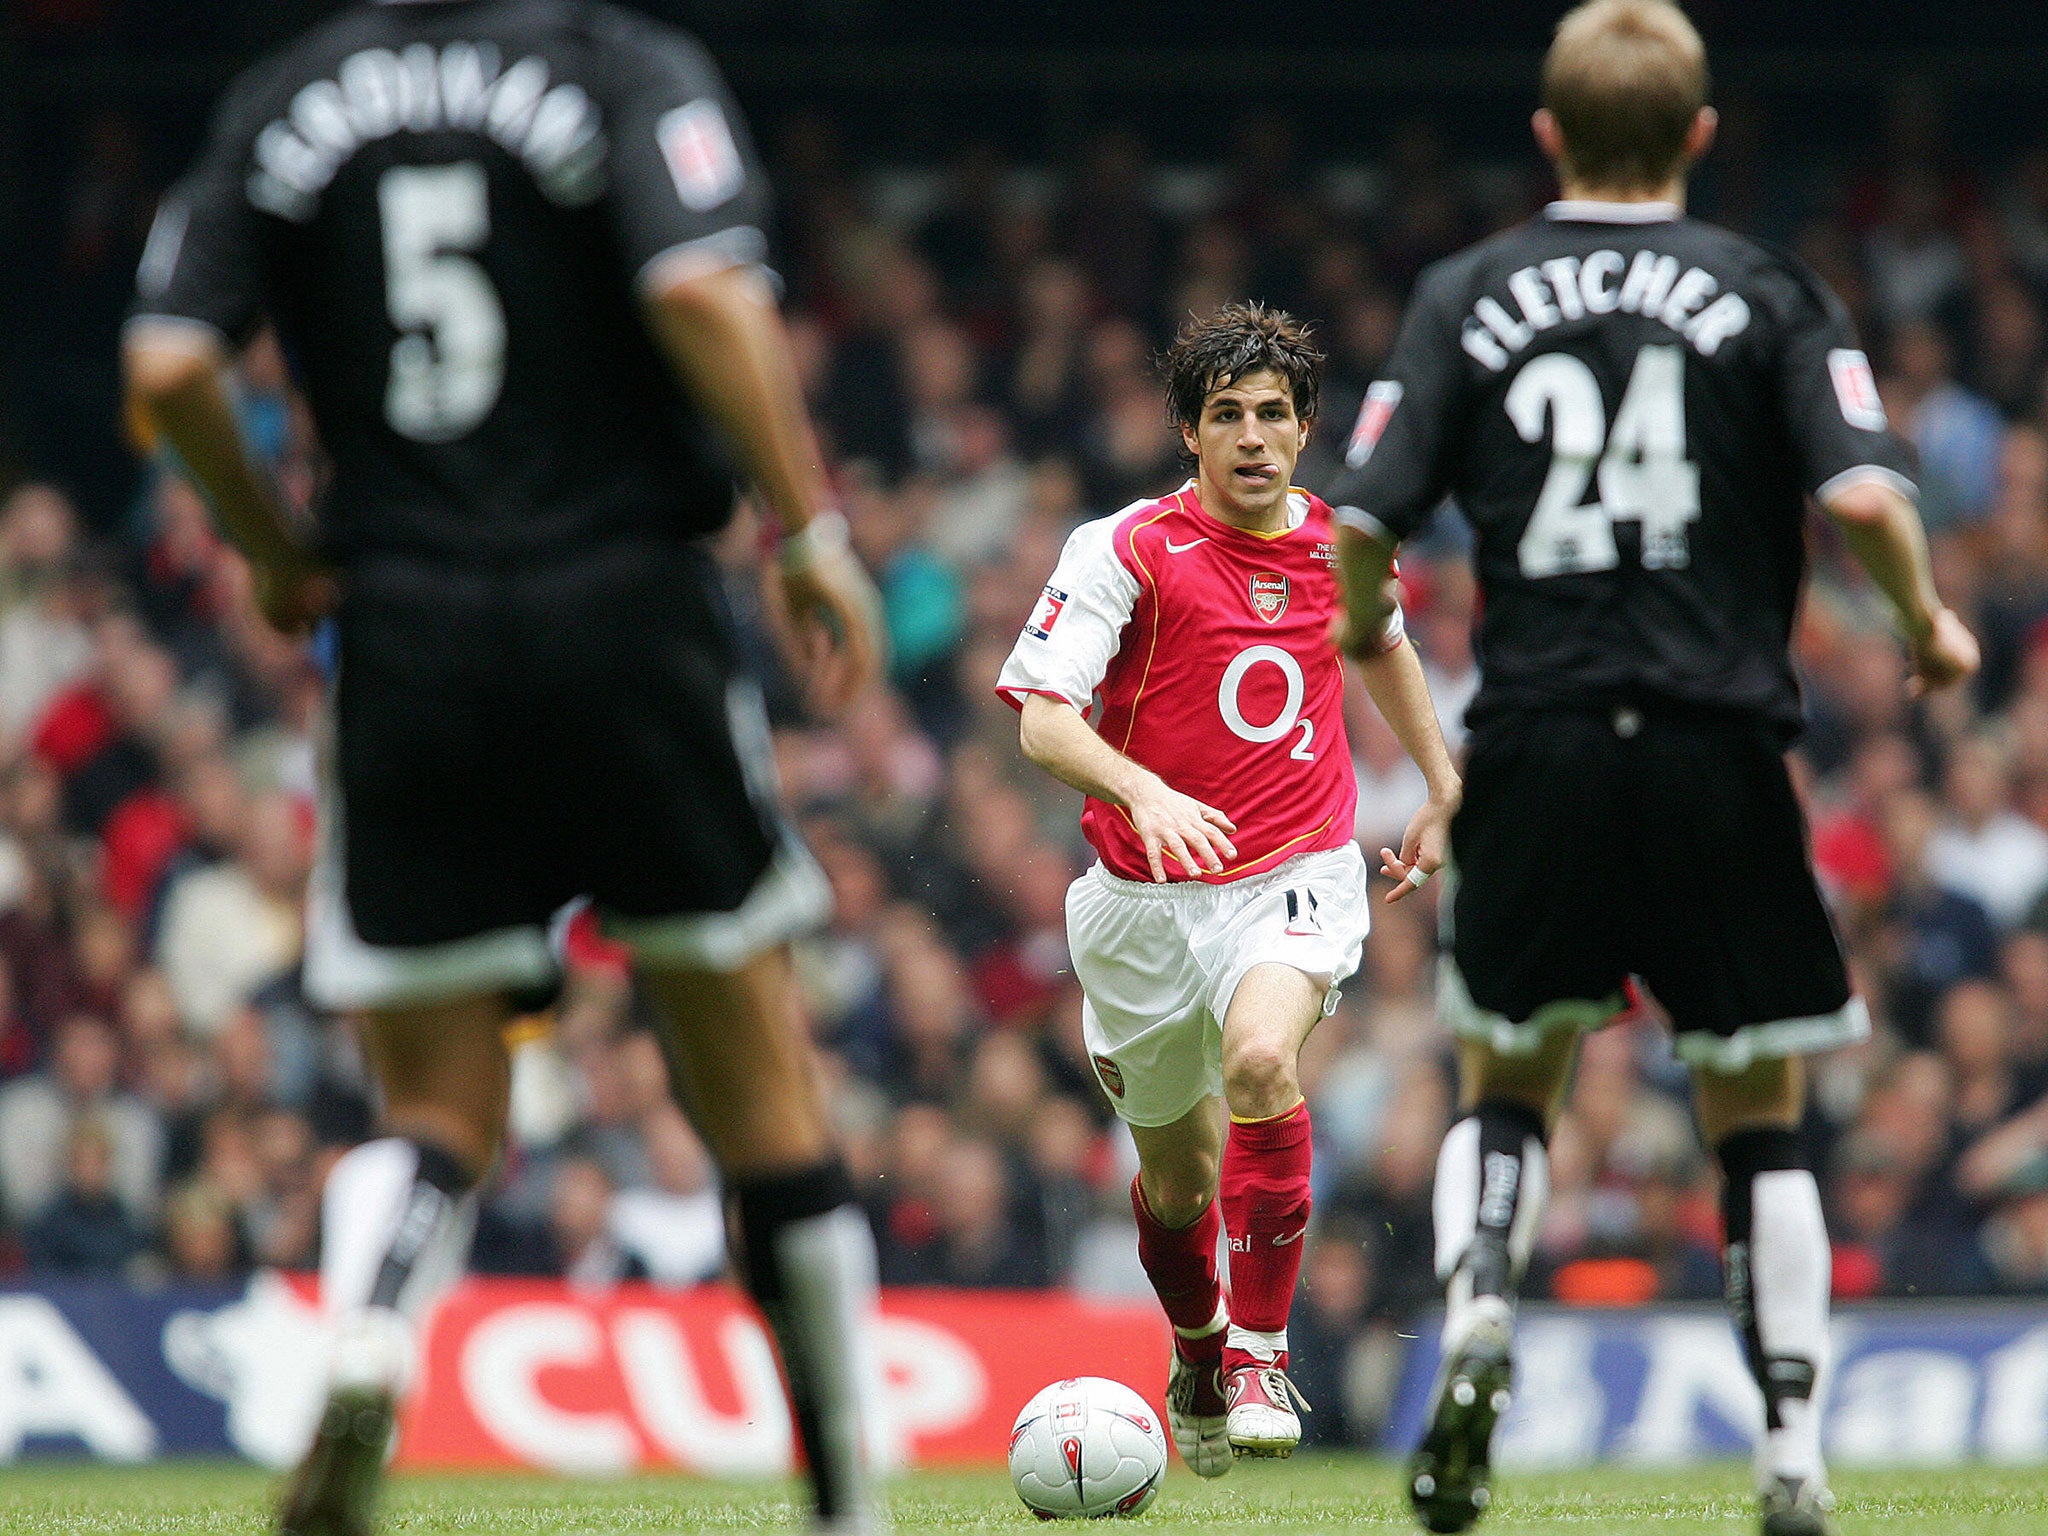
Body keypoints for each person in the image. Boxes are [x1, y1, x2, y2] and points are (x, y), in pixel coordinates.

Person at [121, 2, 887, 1533]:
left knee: (438, 1106)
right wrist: (808, 530)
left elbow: (166, 365)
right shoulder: (620, 64)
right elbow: (699, 292)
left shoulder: (290, 94)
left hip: (406, 632)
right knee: (757, 1085)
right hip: (627, 607)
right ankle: (846, 1501)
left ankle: (371, 1331)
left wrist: (278, 549)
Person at [1324, 4, 1980, 1534]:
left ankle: (1483, 1303)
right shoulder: (1769, 289)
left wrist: (1365, 626)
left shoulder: (1466, 292)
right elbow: (1871, 503)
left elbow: (1362, 521)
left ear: (1548, 135)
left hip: (1538, 737)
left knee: (1507, 1071)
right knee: (1759, 1101)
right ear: (1700, 133)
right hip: (1717, 740)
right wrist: (1930, 625)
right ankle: (1796, 1447)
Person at [998, 303, 1460, 1470]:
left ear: (1304, 431)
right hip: (1138, 901)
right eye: (1224, 416)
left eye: (1271, 415)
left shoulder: (1340, 545)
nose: (1250, 437)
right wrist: (1142, 791)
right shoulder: (1127, 548)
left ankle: (1259, 1348)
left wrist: (1440, 786)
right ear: (1187, 436)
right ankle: (1198, 1339)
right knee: (1172, 1183)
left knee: (1261, 1059)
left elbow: (1380, 642)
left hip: (1296, 870)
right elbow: (1045, 722)